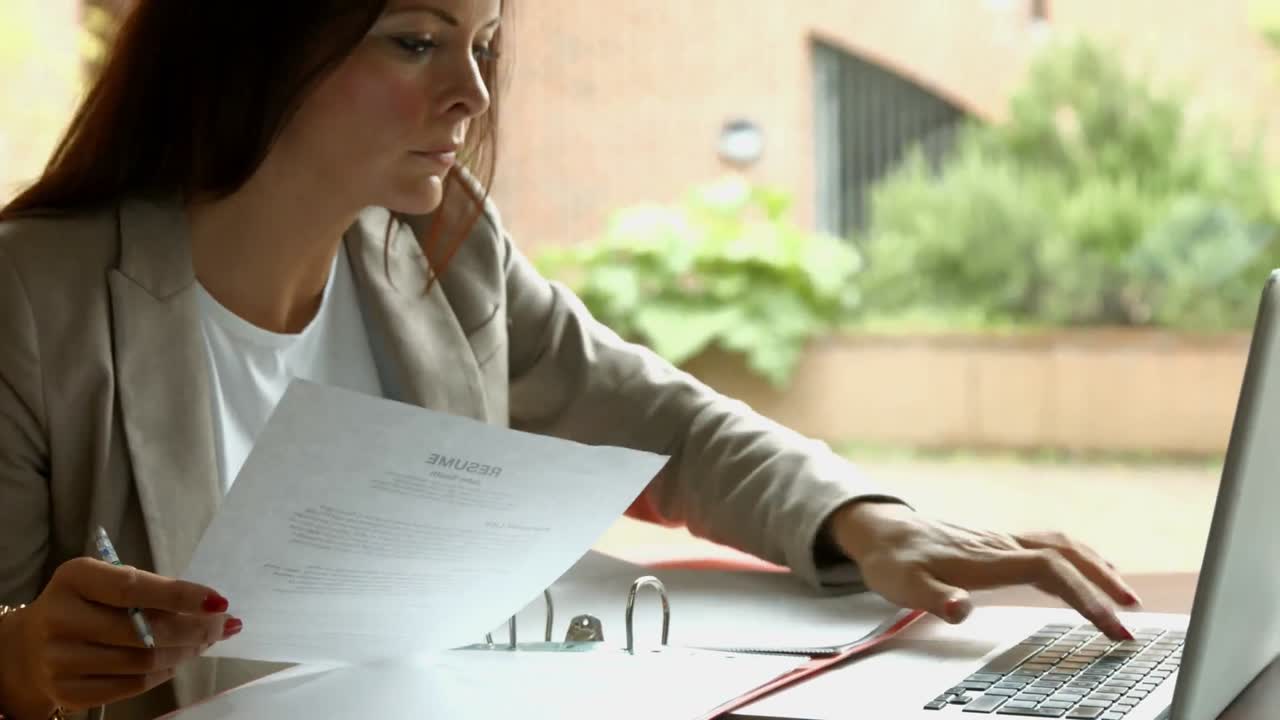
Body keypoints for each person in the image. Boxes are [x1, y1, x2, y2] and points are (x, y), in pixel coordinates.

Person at [0, 1, 1142, 718]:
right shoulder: (32, 299)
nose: (472, 94)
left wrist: (862, 520)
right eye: (416, 40)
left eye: (483, 45)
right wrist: (28, 663)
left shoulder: (441, 249)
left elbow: (653, 418)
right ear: (254, 38)